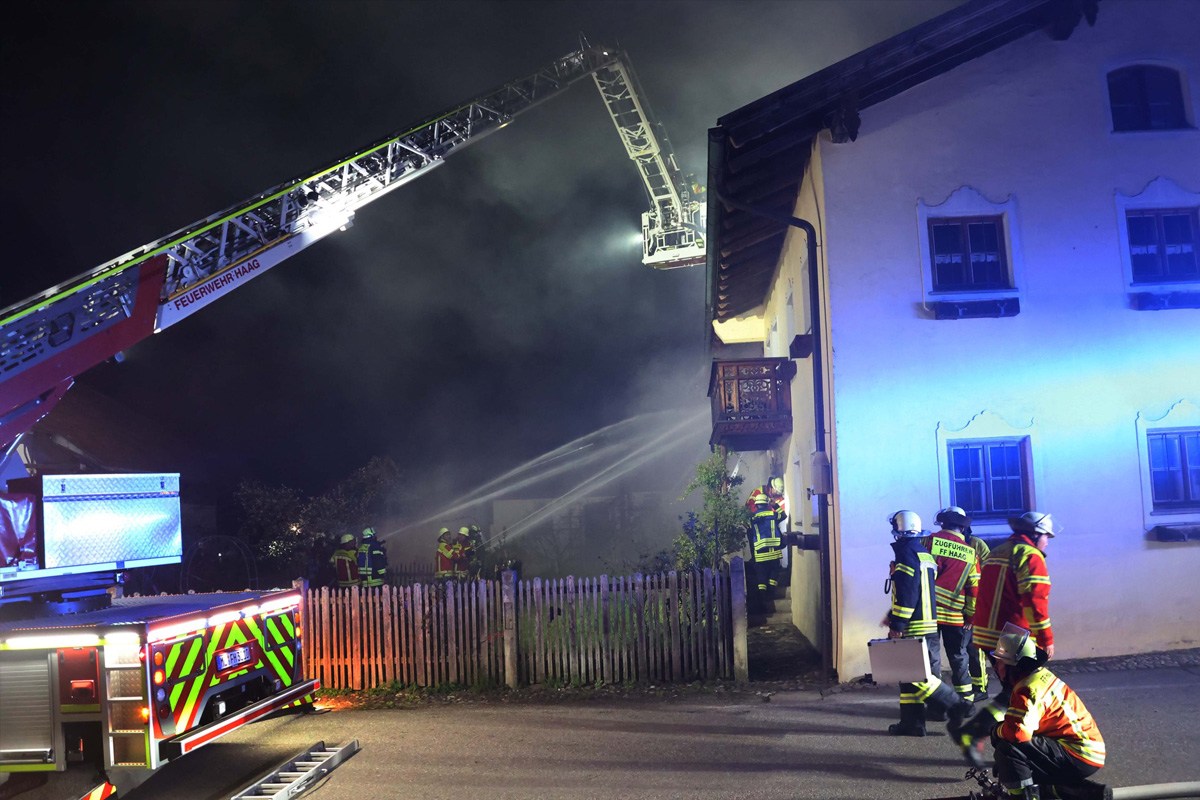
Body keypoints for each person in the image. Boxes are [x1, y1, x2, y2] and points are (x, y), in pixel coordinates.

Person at [955, 512, 1058, 760]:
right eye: (1046, 536)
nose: (1047, 541)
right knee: (1023, 690)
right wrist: (1046, 639)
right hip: (1013, 636)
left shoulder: (997, 552)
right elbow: (1035, 601)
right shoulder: (1030, 556)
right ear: (1035, 534)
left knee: (1014, 690)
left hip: (989, 634)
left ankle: (1005, 740)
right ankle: (979, 735)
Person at [982, 628, 1108, 800]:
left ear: (1014, 665)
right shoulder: (1039, 677)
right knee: (1020, 759)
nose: (996, 667)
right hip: (1086, 750)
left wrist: (997, 732)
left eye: (1000, 662)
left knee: (1009, 749)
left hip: (1077, 753)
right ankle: (1082, 792)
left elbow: (1017, 733)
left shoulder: (1027, 689)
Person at [883, 509, 973, 737]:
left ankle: (956, 704)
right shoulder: (922, 552)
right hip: (929, 623)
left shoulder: (907, 553)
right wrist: (892, 615)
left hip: (915, 625)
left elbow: (908, 592)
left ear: (897, 530)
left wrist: (898, 624)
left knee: (916, 675)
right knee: (908, 676)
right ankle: (912, 724)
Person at [924, 507, 980, 710]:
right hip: (956, 617)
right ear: (963, 527)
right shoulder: (970, 553)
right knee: (959, 657)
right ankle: (966, 704)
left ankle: (938, 704)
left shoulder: (928, 542)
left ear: (942, 523)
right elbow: (974, 588)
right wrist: (970, 616)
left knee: (932, 659)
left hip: (928, 614)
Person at [961, 515, 993, 701]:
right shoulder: (949, 544)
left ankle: (980, 688)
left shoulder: (977, 544)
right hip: (960, 605)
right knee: (963, 650)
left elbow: (988, 571)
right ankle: (972, 687)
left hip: (976, 602)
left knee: (975, 648)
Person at [747, 494, 784, 613]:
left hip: (760, 554)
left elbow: (749, 532)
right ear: (767, 504)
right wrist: (775, 505)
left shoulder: (752, 518)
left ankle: (762, 600)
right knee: (774, 573)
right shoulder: (772, 514)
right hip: (774, 552)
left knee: (761, 578)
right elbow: (783, 515)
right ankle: (770, 593)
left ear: (757, 505)